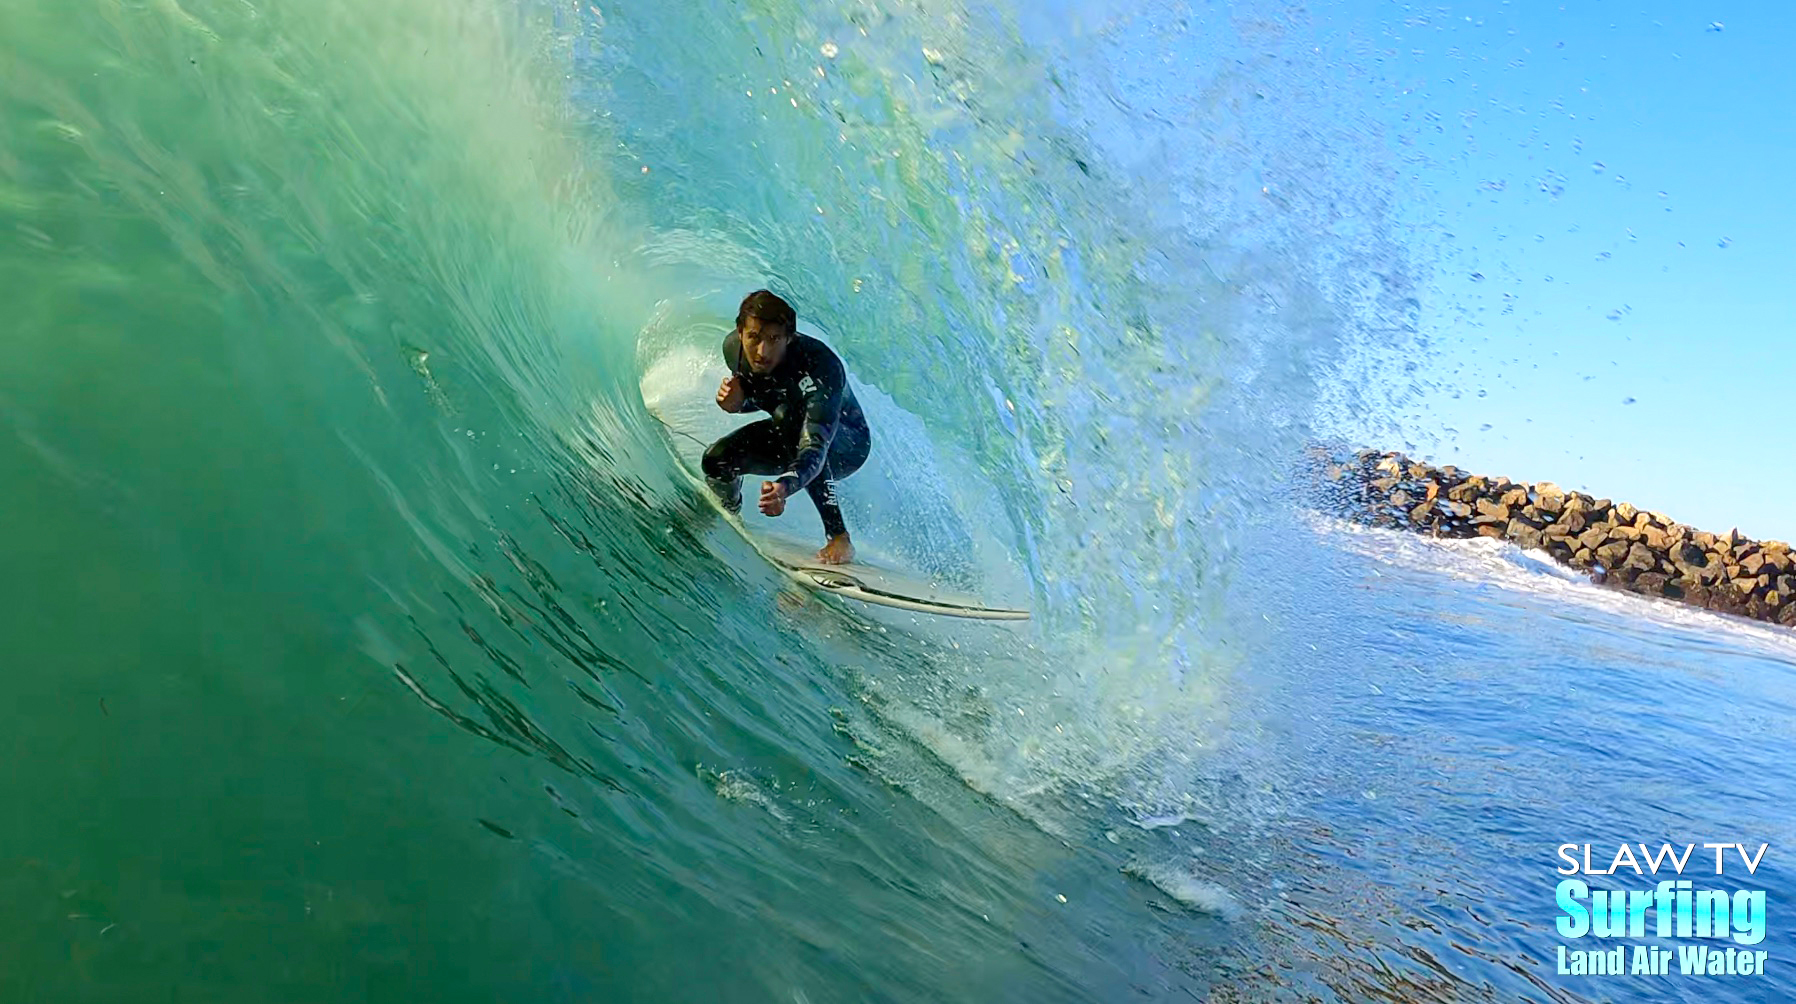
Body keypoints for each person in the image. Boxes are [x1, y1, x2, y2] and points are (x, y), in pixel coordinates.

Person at [704, 290, 872, 565]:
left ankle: (839, 536)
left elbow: (815, 444)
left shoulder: (821, 365)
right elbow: (770, 398)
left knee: (794, 421)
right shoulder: (733, 349)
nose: (762, 351)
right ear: (740, 332)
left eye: (773, 339)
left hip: (845, 444)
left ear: (789, 338)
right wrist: (738, 404)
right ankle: (728, 509)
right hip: (790, 429)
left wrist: (785, 487)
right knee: (716, 461)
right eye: (754, 337)